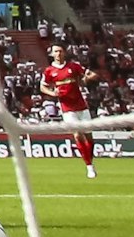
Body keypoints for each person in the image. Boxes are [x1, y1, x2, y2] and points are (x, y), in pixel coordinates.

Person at [41, 43, 99, 179]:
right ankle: (89, 166)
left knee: (89, 137)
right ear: (52, 54)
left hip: (81, 105)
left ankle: (90, 160)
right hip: (67, 107)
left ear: (64, 53)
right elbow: (43, 87)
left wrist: (91, 77)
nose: (58, 54)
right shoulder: (49, 71)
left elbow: (87, 77)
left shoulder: (74, 66)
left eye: (60, 51)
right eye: (55, 51)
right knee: (77, 135)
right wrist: (53, 94)